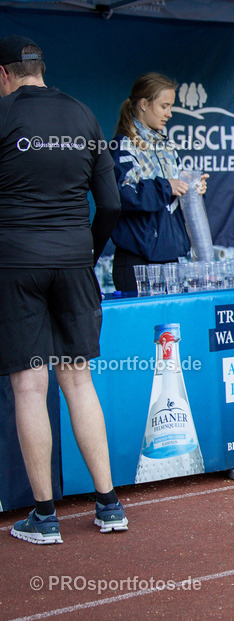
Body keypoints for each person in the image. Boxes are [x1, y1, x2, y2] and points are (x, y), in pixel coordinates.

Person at [0, 35, 126, 544]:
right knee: (79, 380)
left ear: (4, 75)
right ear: (41, 70)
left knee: (30, 386)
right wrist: (85, 254)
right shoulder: (82, 114)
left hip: (15, 263)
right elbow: (111, 205)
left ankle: (46, 516)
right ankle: (109, 504)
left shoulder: (4, 116)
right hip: (74, 262)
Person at [109, 73, 208, 292]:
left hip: (169, 258)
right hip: (137, 262)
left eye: (170, 107)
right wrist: (167, 186)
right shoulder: (123, 146)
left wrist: (192, 188)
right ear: (144, 104)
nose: (169, 114)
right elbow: (123, 196)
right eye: (164, 106)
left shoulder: (167, 146)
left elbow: (172, 195)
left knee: (172, 326)